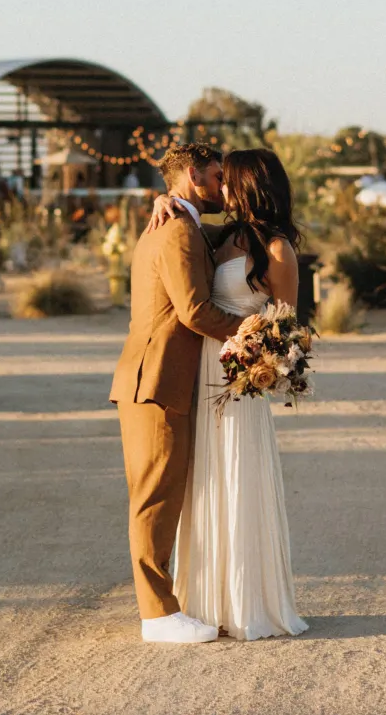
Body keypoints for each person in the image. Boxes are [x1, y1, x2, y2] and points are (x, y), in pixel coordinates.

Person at [147, 147, 308, 640]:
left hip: (236, 384)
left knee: (236, 479)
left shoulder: (278, 250)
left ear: (248, 184)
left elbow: (285, 330)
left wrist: (256, 354)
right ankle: (203, 602)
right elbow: (185, 233)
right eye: (217, 180)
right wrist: (162, 198)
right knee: (202, 484)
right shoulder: (224, 235)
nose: (221, 188)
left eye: (228, 180)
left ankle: (245, 602)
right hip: (199, 373)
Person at [109, 144, 246, 644]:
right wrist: (251, 330)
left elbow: (226, 237)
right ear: (193, 176)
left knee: (163, 495)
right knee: (155, 499)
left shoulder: (185, 225)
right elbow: (194, 312)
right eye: (215, 177)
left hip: (161, 380)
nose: (221, 187)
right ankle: (158, 615)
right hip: (156, 380)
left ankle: (166, 606)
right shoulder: (177, 230)